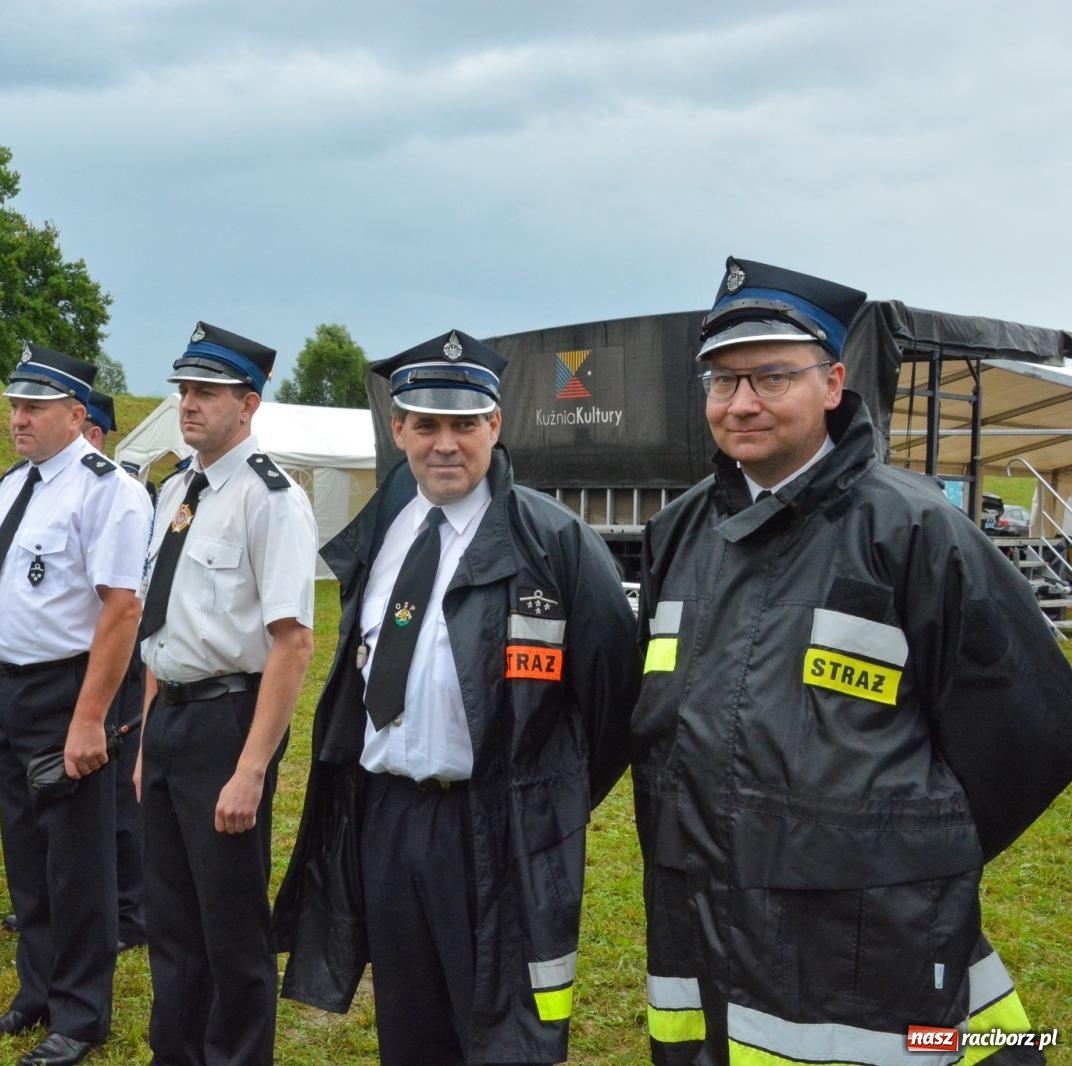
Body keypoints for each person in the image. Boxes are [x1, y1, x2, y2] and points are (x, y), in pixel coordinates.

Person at [631, 259, 1072, 1065]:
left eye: (771, 376)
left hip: (867, 936)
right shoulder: (679, 533)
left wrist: (903, 847)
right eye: (722, 381)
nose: (743, 402)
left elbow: (1032, 731)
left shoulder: (911, 533)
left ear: (833, 384)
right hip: (697, 915)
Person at [273, 331, 640, 1065]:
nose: (447, 444)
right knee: (411, 1030)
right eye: (427, 424)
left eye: (465, 424)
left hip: (494, 826)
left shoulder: (555, 542)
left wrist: (544, 795)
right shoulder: (384, 531)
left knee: (504, 1037)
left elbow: (614, 702)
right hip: (388, 818)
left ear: (495, 427)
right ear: (398, 428)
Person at [0, 344, 150, 1066]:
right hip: (12, 685)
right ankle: (34, 993)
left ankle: (79, 1015)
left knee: (77, 864)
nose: (19, 418)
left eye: (35, 407)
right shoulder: (17, 485)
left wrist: (89, 716)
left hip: (70, 687)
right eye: (14, 405)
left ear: (77, 414)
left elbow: (121, 612)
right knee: (27, 857)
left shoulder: (109, 490)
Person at [136, 323, 317, 1066]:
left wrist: (250, 769)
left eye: (206, 392)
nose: (188, 405)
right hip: (171, 719)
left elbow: (293, 643)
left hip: (226, 724)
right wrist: (148, 738)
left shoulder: (271, 499)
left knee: (231, 924)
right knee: (171, 919)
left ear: (248, 403)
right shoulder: (176, 488)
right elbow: (161, 624)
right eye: (183, 390)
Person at [81, 388, 147, 951]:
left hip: (122, 652)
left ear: (93, 432)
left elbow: (126, 596)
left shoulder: (118, 492)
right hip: (79, 655)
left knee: (119, 785)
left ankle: (129, 909)